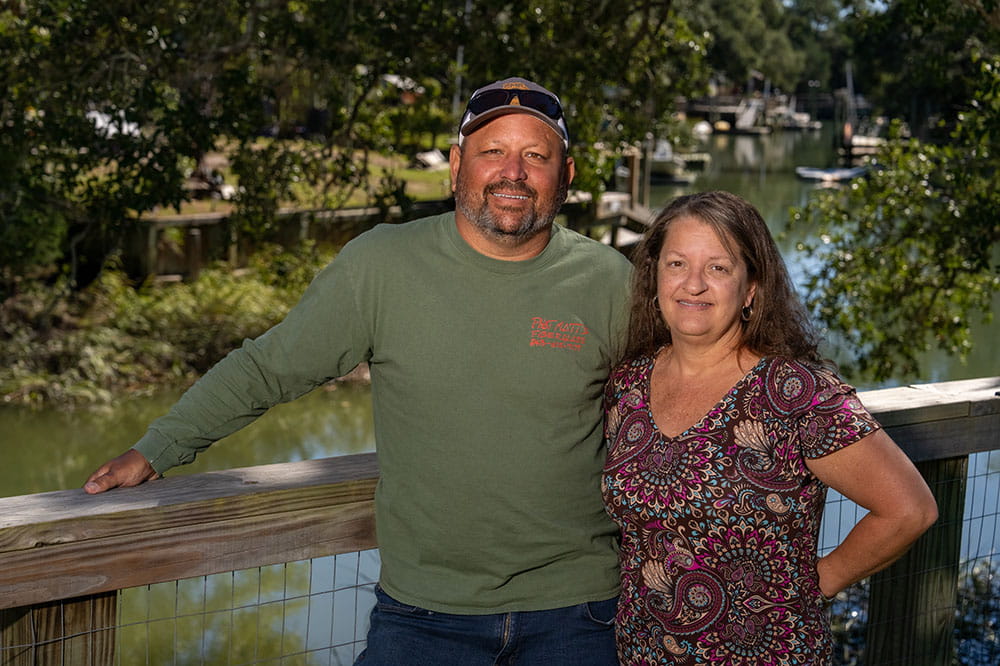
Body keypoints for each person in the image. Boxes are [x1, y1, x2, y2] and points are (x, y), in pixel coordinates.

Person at [84, 77, 633, 665]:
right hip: (424, 613)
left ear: (566, 175)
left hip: (579, 611)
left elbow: (676, 406)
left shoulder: (610, 282)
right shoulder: (381, 265)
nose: (512, 172)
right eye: (492, 151)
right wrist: (157, 448)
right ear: (456, 166)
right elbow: (268, 367)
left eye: (535, 156)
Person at [601, 190, 938, 665]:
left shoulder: (793, 393)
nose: (693, 285)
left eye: (717, 268)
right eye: (677, 264)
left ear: (752, 288)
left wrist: (816, 584)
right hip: (640, 653)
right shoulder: (629, 384)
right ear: (654, 277)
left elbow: (909, 509)